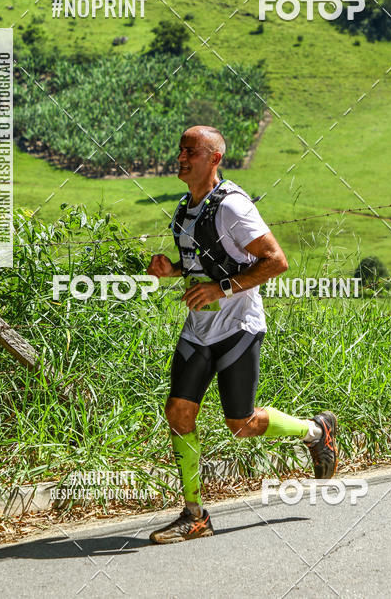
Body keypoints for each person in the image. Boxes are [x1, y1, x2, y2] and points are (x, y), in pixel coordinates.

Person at [146, 125, 338, 544]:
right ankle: (194, 515)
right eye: (180, 150)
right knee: (179, 413)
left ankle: (316, 432)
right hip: (198, 330)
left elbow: (277, 260)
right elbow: (202, 262)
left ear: (213, 158)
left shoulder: (232, 205)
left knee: (241, 424)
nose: (180, 158)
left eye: (190, 151)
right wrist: (172, 270)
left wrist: (222, 289)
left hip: (238, 328)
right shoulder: (184, 207)